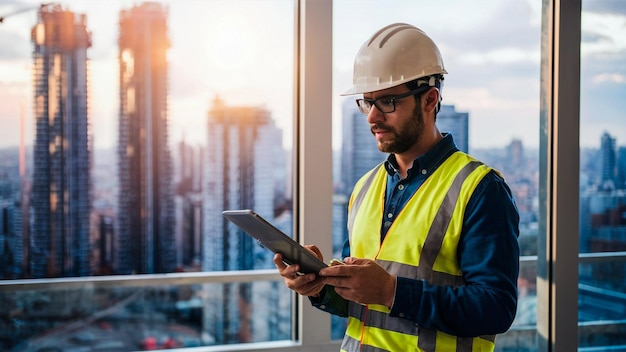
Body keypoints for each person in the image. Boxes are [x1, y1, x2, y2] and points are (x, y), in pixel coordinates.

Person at [273, 22, 520, 352]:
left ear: (430, 100)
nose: (373, 117)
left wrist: (391, 291)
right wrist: (320, 286)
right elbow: (361, 303)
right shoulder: (365, 187)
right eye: (367, 102)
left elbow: (495, 309)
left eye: (388, 101)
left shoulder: (480, 189)